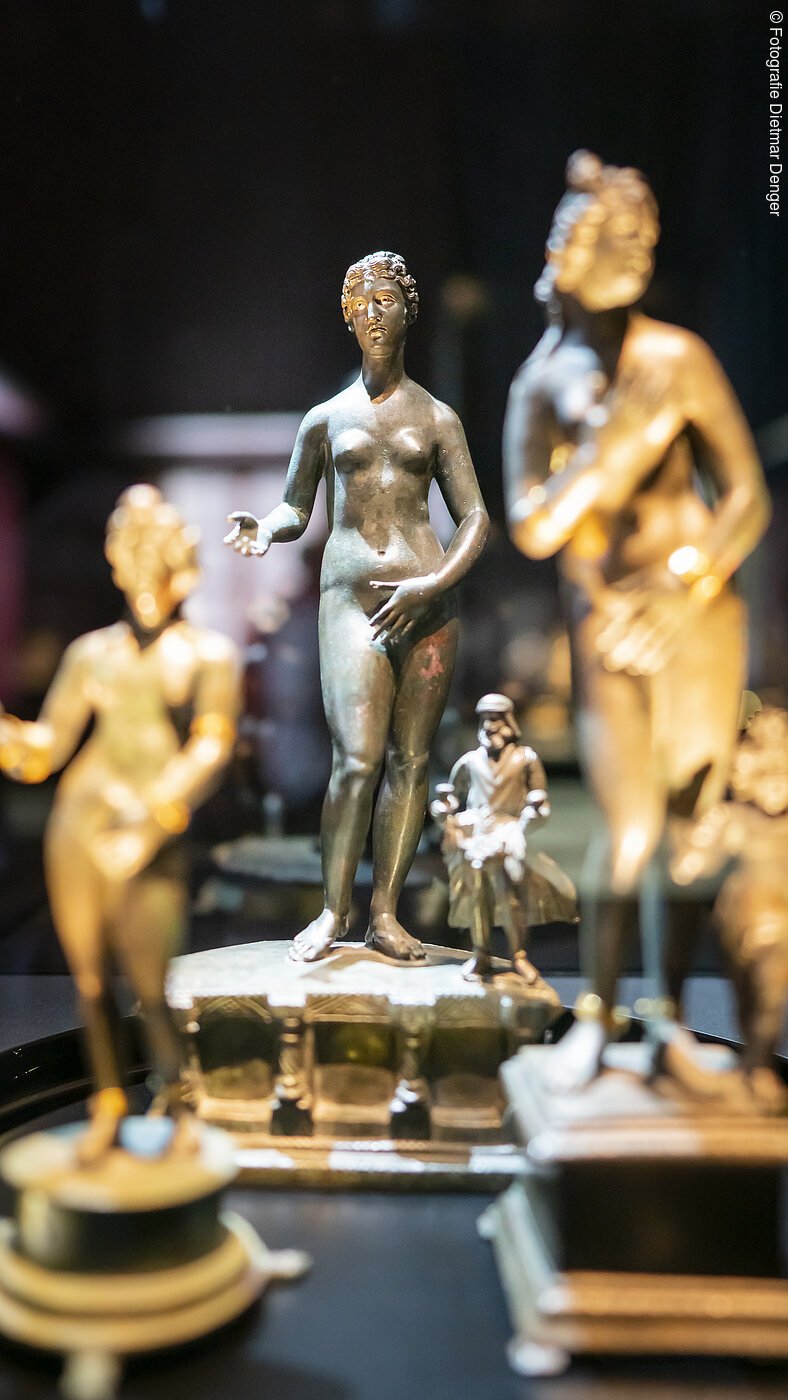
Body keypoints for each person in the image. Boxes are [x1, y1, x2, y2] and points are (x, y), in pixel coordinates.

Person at [503, 152, 771, 1088]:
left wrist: (689, 583)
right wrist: (607, 453)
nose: (628, 253)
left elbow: (745, 496)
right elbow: (534, 527)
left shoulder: (676, 360)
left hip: (696, 609)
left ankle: (666, 1019)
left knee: (693, 817)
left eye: (622, 237)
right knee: (627, 826)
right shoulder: (542, 383)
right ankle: (598, 1014)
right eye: (589, 236)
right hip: (607, 617)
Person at [225, 252, 488, 964]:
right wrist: (266, 528)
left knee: (412, 760)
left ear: (408, 312)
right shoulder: (326, 419)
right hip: (352, 598)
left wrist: (432, 585)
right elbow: (295, 506)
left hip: (427, 599)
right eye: (361, 302)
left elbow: (475, 519)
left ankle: (386, 915)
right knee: (358, 757)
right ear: (347, 316)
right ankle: (331, 909)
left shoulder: (437, 418)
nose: (374, 314)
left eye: (386, 300)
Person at [0, 485, 240, 1160]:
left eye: (154, 559)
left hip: (149, 827)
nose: (143, 575)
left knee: (151, 988)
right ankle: (107, 1104)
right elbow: (45, 750)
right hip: (79, 823)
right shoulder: (91, 655)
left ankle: (179, 1104)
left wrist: (155, 816)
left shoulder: (207, 656)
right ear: (117, 565)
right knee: (90, 985)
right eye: (131, 559)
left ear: (179, 568)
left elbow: (213, 745)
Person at [431, 693, 576, 983]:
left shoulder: (526, 759)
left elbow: (540, 801)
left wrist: (534, 814)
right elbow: (452, 797)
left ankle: (518, 955)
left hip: (510, 832)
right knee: (478, 894)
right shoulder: (470, 761)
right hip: (477, 834)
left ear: (509, 721)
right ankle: (481, 952)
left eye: (496, 719)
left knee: (511, 894)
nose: (490, 726)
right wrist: (442, 809)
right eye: (486, 719)